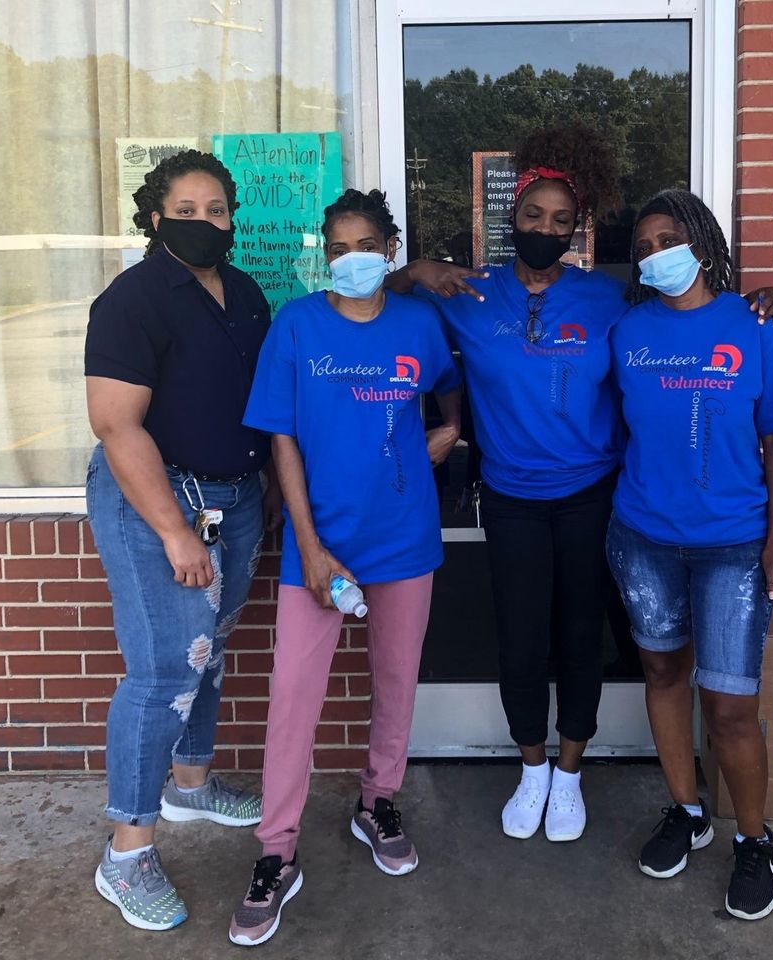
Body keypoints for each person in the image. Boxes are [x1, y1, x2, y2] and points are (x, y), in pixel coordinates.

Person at [388, 122, 773, 845]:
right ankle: (533, 766)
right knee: (518, 640)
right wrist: (414, 268)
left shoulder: (613, 303)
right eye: (533, 216)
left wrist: (760, 299)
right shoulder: (468, 293)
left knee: (581, 635)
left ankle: (571, 772)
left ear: (577, 232)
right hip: (510, 497)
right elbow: (376, 306)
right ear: (509, 220)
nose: (545, 229)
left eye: (561, 221)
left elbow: (700, 324)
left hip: (595, 498)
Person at [229, 189, 461, 948]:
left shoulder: (418, 322)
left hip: (404, 537)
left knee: (396, 681)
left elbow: (449, 392)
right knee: (294, 692)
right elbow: (281, 442)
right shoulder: (297, 325)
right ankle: (276, 850)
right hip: (318, 545)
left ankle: (377, 802)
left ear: (389, 250)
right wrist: (312, 546)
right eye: (337, 246)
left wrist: (449, 429)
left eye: (366, 244)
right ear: (323, 253)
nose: (351, 258)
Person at [84, 149, 283, 931]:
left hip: (234, 497)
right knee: (165, 670)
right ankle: (125, 854)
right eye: (188, 210)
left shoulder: (243, 292)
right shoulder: (133, 300)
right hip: (159, 500)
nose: (206, 222)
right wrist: (172, 528)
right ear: (157, 216)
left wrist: (259, 484)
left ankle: (191, 785)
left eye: (218, 209)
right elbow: (115, 422)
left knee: (211, 648)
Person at [605, 189, 773, 920]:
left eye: (668, 236)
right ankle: (687, 811)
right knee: (663, 670)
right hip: (643, 537)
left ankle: (755, 840)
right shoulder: (627, 330)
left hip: (732, 545)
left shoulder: (755, 326)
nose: (654, 252)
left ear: (701, 240)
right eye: (641, 244)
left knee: (730, 707)